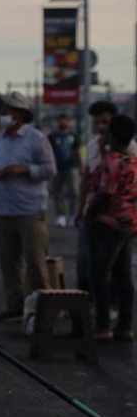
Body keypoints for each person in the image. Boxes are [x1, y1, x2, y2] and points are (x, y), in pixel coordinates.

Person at [0, 91, 56, 322]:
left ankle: (43, 310)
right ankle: (15, 306)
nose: (4, 113)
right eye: (4, 109)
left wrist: (23, 169)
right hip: (5, 209)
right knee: (8, 261)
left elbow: (49, 169)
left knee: (35, 262)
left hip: (31, 210)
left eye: (9, 109)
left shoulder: (36, 138)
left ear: (21, 114)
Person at [83, 114, 136, 342]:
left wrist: (89, 212)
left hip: (109, 224)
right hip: (129, 224)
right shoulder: (134, 161)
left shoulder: (113, 161)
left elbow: (106, 193)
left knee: (99, 273)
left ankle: (103, 327)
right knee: (123, 275)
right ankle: (125, 327)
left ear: (112, 134)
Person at [75, 101, 137, 290]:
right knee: (85, 264)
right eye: (97, 123)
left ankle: (111, 311)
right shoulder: (92, 145)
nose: (101, 127)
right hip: (93, 214)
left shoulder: (130, 148)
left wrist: (106, 152)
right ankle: (90, 307)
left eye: (105, 123)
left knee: (115, 270)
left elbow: (113, 184)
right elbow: (86, 179)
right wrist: (80, 210)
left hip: (117, 219)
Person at [48, 113, 80, 228]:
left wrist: (81, 167)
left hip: (72, 167)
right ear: (58, 122)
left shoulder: (73, 136)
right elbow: (48, 152)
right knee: (57, 191)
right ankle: (61, 216)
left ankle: (73, 215)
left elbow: (78, 152)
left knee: (74, 192)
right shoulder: (52, 136)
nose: (63, 122)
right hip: (57, 167)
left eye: (65, 120)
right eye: (61, 120)